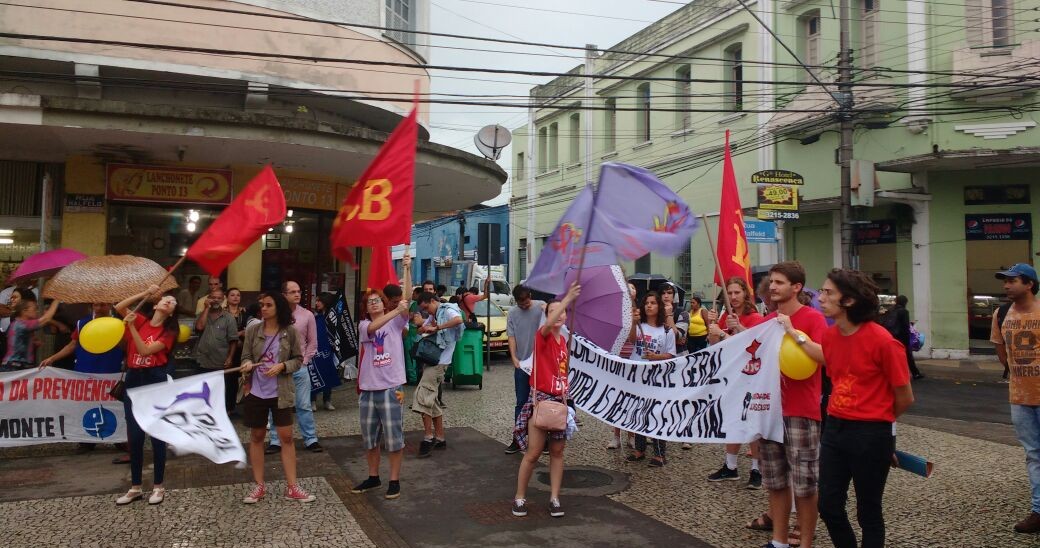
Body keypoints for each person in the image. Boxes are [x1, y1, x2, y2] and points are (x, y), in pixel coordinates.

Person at [816, 269, 914, 548]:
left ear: (848, 301)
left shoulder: (883, 341)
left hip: (871, 434)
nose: (820, 297)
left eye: (827, 292)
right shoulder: (829, 336)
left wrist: (880, 429)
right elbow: (836, 380)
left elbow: (905, 397)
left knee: (868, 512)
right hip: (834, 428)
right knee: (829, 505)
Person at [759, 262, 829, 548]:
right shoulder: (766, 322)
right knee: (775, 482)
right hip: (770, 412)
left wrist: (792, 331)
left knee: (804, 485)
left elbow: (826, 357)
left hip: (801, 412)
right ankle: (779, 541)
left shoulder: (813, 319)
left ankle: (806, 543)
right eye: (772, 282)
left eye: (779, 282)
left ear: (796, 287)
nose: (773, 287)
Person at [512, 283, 581, 519]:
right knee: (533, 453)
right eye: (553, 311)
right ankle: (520, 497)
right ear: (546, 316)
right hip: (541, 402)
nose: (560, 315)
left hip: (560, 402)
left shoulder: (564, 343)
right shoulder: (541, 337)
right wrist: (568, 298)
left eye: (563, 311)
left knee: (558, 452)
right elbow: (548, 326)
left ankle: (554, 497)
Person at [239, 291, 315, 504]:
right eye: (261, 305)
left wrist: (282, 366)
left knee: (287, 437)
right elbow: (245, 355)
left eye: (268, 305)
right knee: (256, 436)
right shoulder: (253, 330)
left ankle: (292, 486)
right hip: (256, 390)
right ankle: (259, 486)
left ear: (278, 308)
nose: (263, 308)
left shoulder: (289, 332)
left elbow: (298, 359)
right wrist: (246, 364)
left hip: (280, 391)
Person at [351, 254, 413, 500]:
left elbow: (406, 300)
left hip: (391, 387)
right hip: (368, 388)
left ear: (385, 302)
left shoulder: (397, 323)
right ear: (366, 307)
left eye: (378, 301)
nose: (375, 304)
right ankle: (373, 476)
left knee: (394, 436)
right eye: (371, 302)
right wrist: (395, 309)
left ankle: (394, 480)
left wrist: (407, 270)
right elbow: (373, 328)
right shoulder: (363, 326)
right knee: (369, 438)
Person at [113, 286, 179, 506]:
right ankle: (135, 487)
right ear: (156, 304)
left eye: (173, 302)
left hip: (154, 379)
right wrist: (144, 294)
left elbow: (144, 351)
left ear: (171, 311)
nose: (169, 301)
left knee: (157, 435)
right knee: (135, 435)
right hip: (134, 379)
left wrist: (130, 327)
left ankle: (159, 486)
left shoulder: (169, 331)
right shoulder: (140, 319)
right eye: (166, 299)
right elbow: (119, 306)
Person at [991, 263, 1040, 534]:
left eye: (1012, 280)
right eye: (1005, 281)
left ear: (1029, 284)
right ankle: (1038, 510)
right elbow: (1002, 354)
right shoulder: (1001, 313)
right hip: (1020, 396)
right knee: (1033, 454)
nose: (1006, 285)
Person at [706, 277, 765, 487]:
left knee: (752, 422)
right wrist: (711, 324)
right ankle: (730, 466)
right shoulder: (725, 318)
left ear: (745, 294)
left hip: (752, 377)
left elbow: (753, 344)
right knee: (732, 419)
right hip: (732, 377)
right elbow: (714, 343)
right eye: (729, 293)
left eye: (736, 293)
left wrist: (730, 330)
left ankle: (756, 469)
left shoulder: (756, 317)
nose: (733, 297)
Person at [266, 280, 322, 454]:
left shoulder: (307, 315)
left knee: (303, 405)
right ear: (284, 295)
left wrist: (304, 361)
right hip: (278, 368)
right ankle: (275, 440)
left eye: (299, 291)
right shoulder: (273, 315)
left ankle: (311, 439)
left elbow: (313, 342)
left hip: (300, 367)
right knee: (277, 405)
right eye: (293, 292)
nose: (297, 294)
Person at [411, 291, 464, 458]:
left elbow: (459, 320)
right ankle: (440, 438)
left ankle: (428, 438)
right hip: (433, 360)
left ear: (433, 301)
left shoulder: (446, 310)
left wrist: (437, 327)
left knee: (422, 397)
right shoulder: (434, 314)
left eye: (427, 307)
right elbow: (420, 331)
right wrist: (421, 324)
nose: (427, 311)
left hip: (440, 362)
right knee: (431, 399)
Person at [627, 291, 676, 467]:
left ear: (659, 306)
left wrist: (656, 357)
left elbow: (671, 354)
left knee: (656, 413)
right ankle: (639, 449)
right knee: (639, 412)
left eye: (653, 303)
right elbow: (632, 340)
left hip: (656, 378)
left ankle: (659, 453)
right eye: (646, 302)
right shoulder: (639, 325)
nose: (649, 305)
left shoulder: (666, 330)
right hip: (637, 376)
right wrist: (633, 323)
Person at [505, 284, 546, 454]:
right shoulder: (513, 313)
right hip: (522, 364)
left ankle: (542, 440)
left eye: (527, 300)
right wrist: (514, 357)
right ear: (516, 301)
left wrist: (548, 309)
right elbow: (511, 336)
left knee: (541, 403)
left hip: (541, 364)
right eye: (521, 303)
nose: (525, 304)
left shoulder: (541, 307)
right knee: (521, 402)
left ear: (530, 295)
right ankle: (518, 438)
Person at [194, 287, 239, 413]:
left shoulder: (228, 318)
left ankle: (218, 415)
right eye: (213, 297)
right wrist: (206, 308)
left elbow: (233, 340)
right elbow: (199, 327)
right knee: (202, 390)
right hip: (202, 360)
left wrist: (230, 357)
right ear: (208, 298)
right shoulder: (202, 314)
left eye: (219, 298)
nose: (215, 300)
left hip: (220, 361)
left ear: (223, 300)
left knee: (218, 391)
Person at [1, 298, 59, 371]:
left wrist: (33, 343)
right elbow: (46, 319)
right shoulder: (23, 324)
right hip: (16, 365)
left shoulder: (15, 323)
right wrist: (57, 299)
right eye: (35, 309)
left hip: (14, 364)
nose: (37, 311)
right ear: (25, 311)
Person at [884, 295, 923, 380]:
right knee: (908, 356)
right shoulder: (904, 311)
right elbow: (905, 327)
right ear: (905, 302)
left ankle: (890, 373)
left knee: (893, 356)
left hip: (890, 336)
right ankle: (915, 373)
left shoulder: (890, 310)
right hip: (901, 337)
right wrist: (908, 339)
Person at [312, 292, 339, 410]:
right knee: (314, 373)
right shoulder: (314, 317)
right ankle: (312, 400)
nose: (317, 303)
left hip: (329, 349)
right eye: (316, 300)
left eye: (319, 301)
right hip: (315, 349)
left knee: (328, 372)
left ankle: (327, 400)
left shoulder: (332, 317)